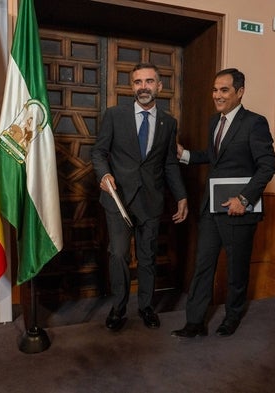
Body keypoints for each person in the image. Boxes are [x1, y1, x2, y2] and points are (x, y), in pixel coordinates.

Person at [171, 68, 275, 338]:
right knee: (203, 265)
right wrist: (186, 155)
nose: (217, 95)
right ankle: (194, 322)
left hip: (239, 210)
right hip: (211, 208)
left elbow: (267, 166)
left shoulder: (255, 123)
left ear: (239, 92)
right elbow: (215, 157)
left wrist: (244, 199)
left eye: (224, 90)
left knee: (236, 269)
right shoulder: (213, 122)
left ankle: (231, 318)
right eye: (215, 90)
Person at [92, 63, 188, 331]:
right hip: (118, 199)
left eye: (148, 81)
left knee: (147, 257)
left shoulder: (169, 122)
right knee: (119, 255)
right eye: (137, 82)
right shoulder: (114, 115)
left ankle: (146, 307)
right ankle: (118, 308)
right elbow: (99, 152)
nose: (143, 87)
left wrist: (181, 196)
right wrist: (104, 174)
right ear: (132, 86)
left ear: (159, 86)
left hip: (152, 200)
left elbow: (169, 163)